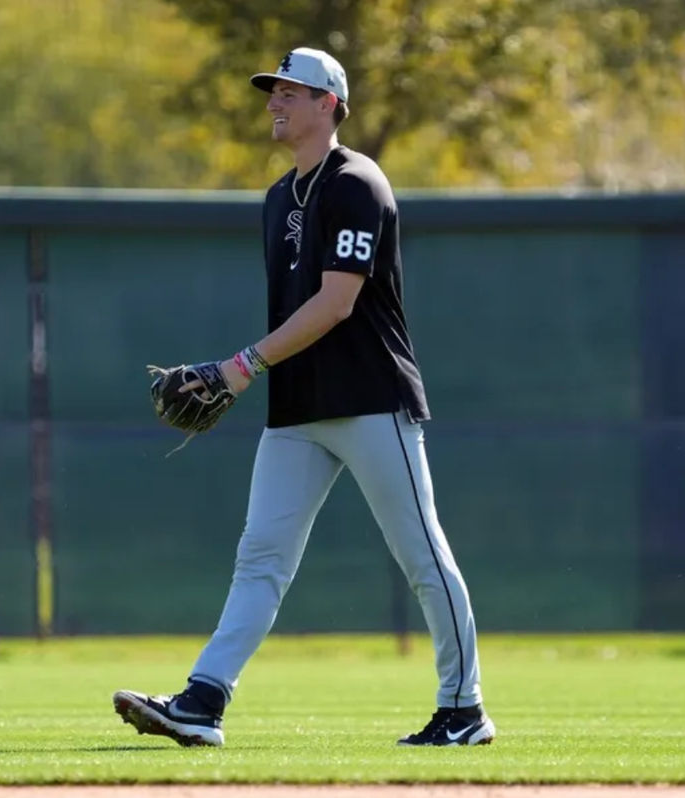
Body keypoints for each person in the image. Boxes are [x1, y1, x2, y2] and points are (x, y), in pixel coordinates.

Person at [113, 46, 495, 748]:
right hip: (298, 408)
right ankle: (203, 700)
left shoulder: (358, 183)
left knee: (419, 553)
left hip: (371, 397)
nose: (275, 102)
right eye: (273, 91)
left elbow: (338, 303)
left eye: (292, 91)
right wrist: (255, 369)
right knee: (260, 558)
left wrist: (242, 364)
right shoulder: (275, 199)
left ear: (330, 105)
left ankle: (464, 708)